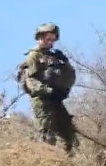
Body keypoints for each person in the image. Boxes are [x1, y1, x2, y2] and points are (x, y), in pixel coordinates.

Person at [17, 23, 78, 155]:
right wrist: (49, 91)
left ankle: (67, 164)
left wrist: (65, 64)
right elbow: (31, 81)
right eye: (47, 38)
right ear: (39, 37)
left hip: (56, 100)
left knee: (68, 134)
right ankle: (46, 163)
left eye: (52, 39)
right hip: (42, 101)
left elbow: (69, 76)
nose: (49, 42)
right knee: (47, 137)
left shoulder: (55, 56)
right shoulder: (33, 56)